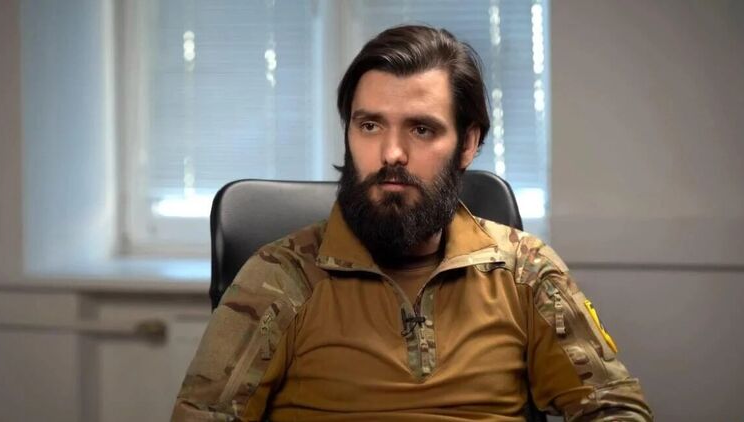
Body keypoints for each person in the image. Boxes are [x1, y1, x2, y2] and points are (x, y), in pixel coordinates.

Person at [171, 25, 652, 421]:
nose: (392, 153)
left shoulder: (525, 272)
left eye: (421, 129)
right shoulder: (280, 277)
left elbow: (614, 407)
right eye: (370, 125)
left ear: (468, 144)